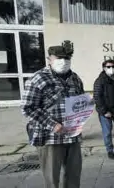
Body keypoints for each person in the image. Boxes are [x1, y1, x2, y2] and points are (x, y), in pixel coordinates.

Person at [21, 40, 85, 188]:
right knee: (52, 179)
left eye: (67, 58)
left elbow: (79, 100)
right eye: (59, 58)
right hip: (50, 138)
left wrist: (86, 105)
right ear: (49, 59)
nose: (63, 61)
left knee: (74, 176)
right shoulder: (38, 79)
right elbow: (28, 108)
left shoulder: (75, 78)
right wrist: (52, 124)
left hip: (73, 136)